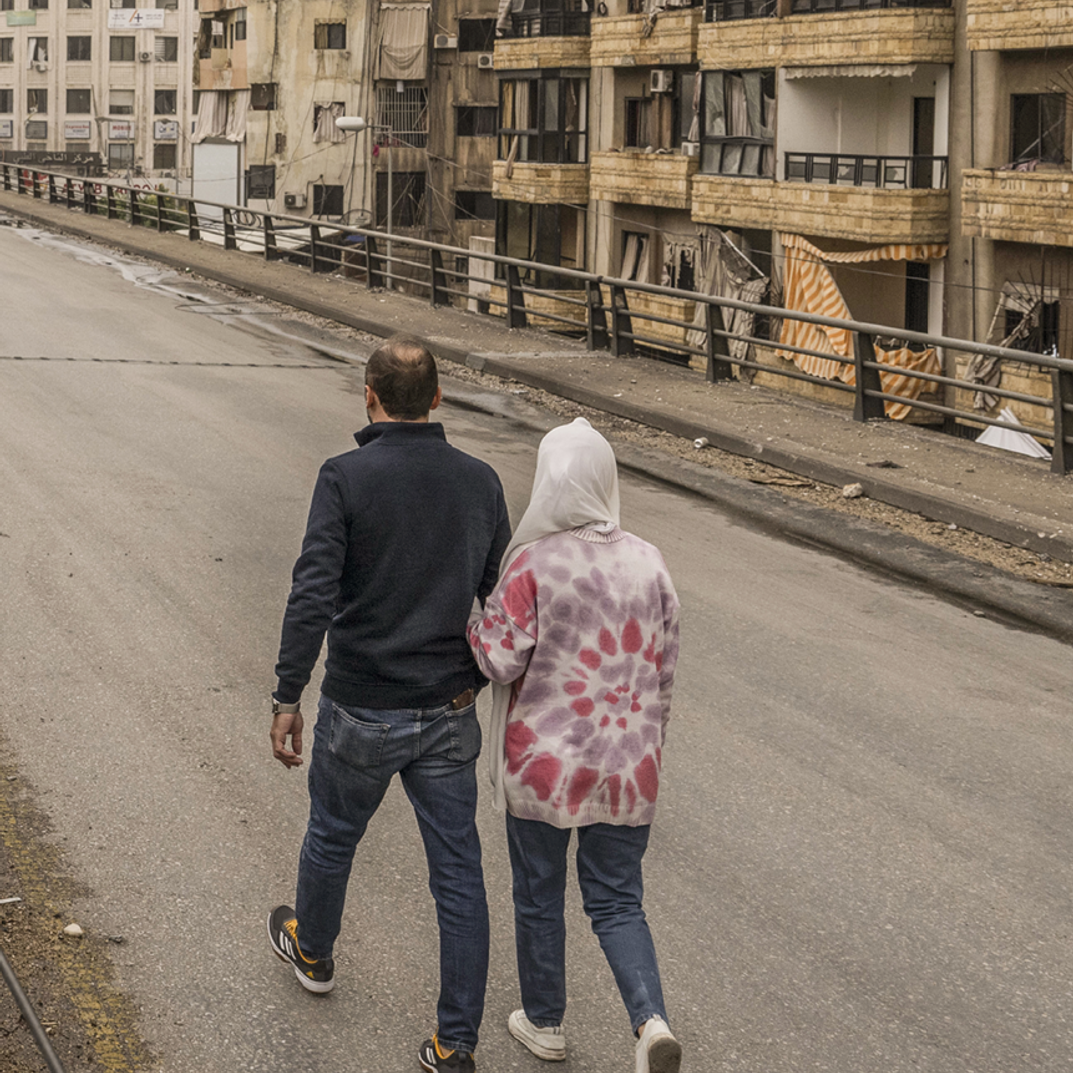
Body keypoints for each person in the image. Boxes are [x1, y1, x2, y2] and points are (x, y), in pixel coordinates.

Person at [267, 336, 511, 1073]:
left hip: (360, 705)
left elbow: (312, 592)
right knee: (458, 874)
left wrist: (287, 692)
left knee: (333, 836)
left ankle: (313, 951)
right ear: (437, 397)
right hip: (446, 710)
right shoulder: (480, 481)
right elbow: (501, 599)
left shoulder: (345, 477)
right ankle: (454, 1043)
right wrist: (475, 672)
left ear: (367, 396)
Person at [466, 417, 682, 1073]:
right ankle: (650, 1023)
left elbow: (499, 662)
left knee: (538, 893)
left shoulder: (533, 563)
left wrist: (470, 622)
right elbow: (664, 666)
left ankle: (545, 1020)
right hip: (628, 765)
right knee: (617, 900)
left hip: (543, 768)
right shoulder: (649, 561)